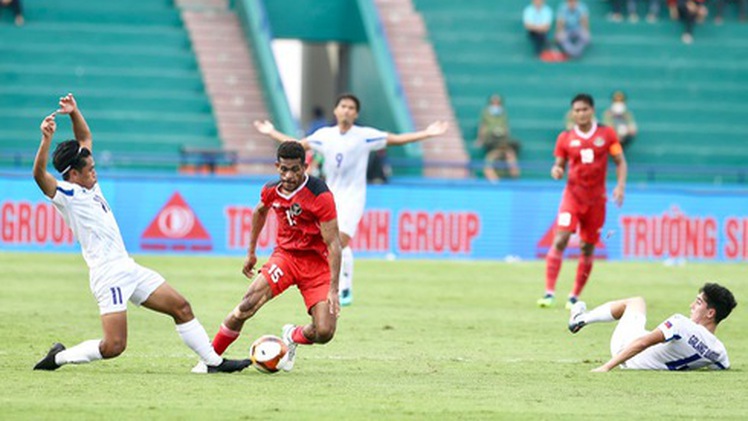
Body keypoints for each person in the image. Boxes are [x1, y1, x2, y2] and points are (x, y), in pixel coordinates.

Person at [31, 94, 250, 373]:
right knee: (114, 346)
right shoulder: (68, 195)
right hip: (108, 274)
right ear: (73, 173)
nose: (95, 172)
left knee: (181, 307)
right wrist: (45, 139)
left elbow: (85, 137)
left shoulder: (87, 184)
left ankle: (213, 362)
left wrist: (74, 112)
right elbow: (39, 175)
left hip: (127, 267)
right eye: (90, 170)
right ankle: (58, 358)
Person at [253, 93, 448, 306]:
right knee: (330, 243)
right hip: (327, 197)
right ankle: (336, 284)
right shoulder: (324, 135)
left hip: (353, 198)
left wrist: (427, 134)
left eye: (351, 108)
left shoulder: (364, 136)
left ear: (356, 114)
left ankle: (344, 289)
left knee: (340, 241)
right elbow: (297, 147)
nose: (346, 110)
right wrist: (271, 132)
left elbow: (395, 139)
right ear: (336, 110)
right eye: (343, 106)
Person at [196, 141, 341, 373]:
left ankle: (292, 335)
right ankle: (209, 359)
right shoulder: (271, 190)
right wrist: (251, 252)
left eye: (295, 169)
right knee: (246, 305)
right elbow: (259, 211)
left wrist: (333, 288)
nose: (289, 175)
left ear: (305, 167)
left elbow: (334, 243)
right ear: (277, 166)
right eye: (284, 169)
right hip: (286, 258)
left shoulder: (320, 195)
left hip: (317, 265)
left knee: (324, 332)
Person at [538, 93, 627, 310]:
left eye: (584, 109)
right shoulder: (565, 138)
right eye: (577, 110)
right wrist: (557, 170)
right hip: (572, 197)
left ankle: (574, 296)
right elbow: (559, 163)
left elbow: (620, 161)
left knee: (587, 248)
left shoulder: (607, 134)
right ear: (572, 113)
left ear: (592, 110)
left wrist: (620, 186)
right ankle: (549, 293)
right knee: (561, 239)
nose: (581, 114)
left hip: (596, 200)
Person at [569, 283, 737, 372]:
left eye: (698, 302)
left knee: (636, 302)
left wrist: (606, 367)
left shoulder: (681, 324)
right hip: (652, 362)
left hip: (626, 351)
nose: (691, 305)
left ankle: (579, 318)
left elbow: (642, 343)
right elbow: (720, 366)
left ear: (710, 313)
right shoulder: (719, 352)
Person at [475, 94, 520, 181]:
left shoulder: (503, 114)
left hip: (504, 146)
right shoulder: (486, 113)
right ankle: (495, 183)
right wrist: (480, 139)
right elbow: (482, 127)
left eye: (498, 103)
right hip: (493, 145)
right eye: (493, 103)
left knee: (511, 159)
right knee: (488, 165)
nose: (495, 105)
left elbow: (506, 128)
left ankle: (515, 182)